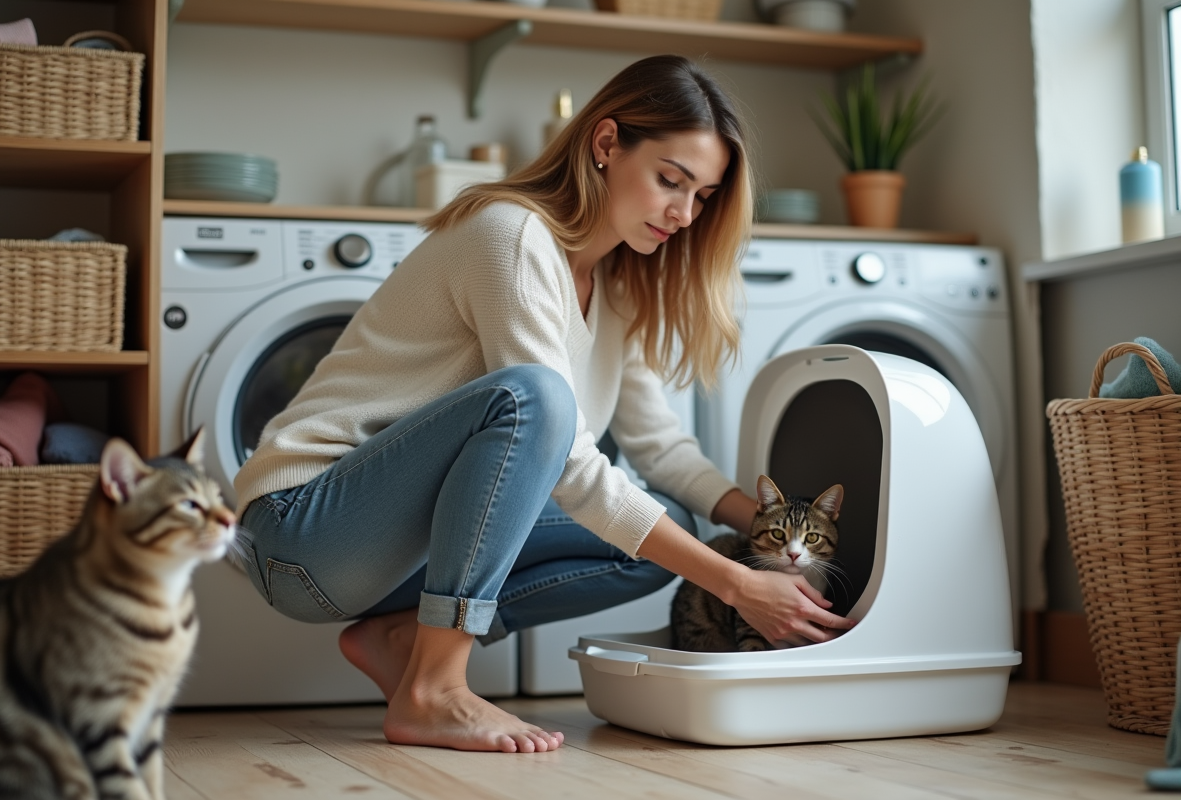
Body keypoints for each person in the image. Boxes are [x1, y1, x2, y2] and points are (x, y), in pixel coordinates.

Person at [233, 54, 855, 756]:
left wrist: (774, 528)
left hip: (395, 561)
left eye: (703, 195)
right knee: (537, 400)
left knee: (666, 539)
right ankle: (434, 690)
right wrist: (738, 584)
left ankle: (405, 640)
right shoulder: (510, 235)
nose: (684, 214)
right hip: (303, 531)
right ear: (605, 144)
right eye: (670, 181)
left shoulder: (621, 284)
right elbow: (562, 454)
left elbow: (661, 450)